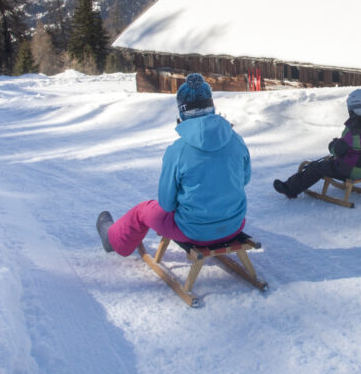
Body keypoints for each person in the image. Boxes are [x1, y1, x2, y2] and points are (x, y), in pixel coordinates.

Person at [96, 73, 251, 256]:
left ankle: (112, 240)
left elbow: (167, 203)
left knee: (143, 210)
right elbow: (244, 179)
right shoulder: (236, 140)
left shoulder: (178, 151)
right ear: (211, 107)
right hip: (234, 225)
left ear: (182, 112)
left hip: (194, 232)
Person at [272, 88, 361, 199]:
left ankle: (290, 189)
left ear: (354, 108)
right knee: (328, 162)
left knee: (315, 168)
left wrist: (332, 145)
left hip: (348, 170)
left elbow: (338, 150)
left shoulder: (353, 130)